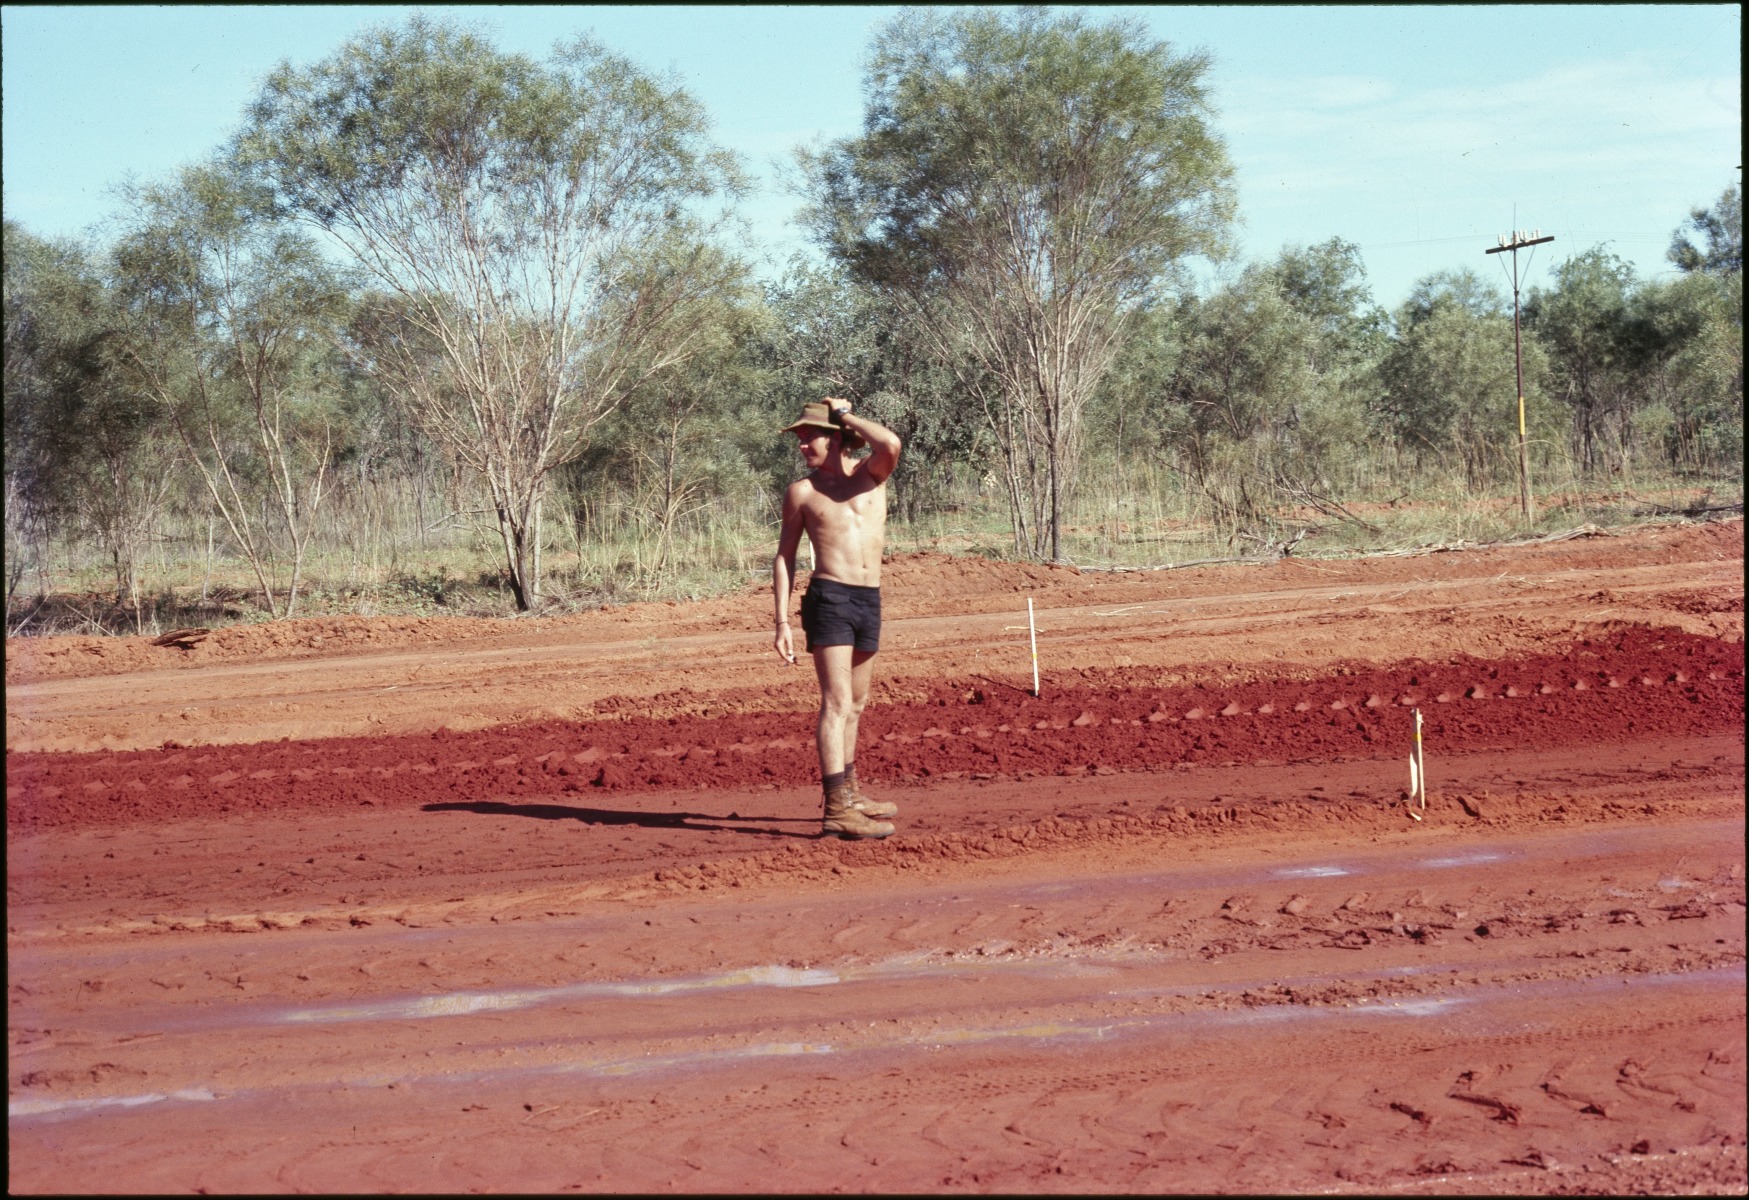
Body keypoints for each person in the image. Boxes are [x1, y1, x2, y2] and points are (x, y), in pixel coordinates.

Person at [772, 398, 903, 839]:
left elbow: (890, 441)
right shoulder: (802, 492)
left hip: (870, 598)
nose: (803, 443)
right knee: (837, 703)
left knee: (858, 705)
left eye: (811, 434)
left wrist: (845, 414)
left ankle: (850, 794)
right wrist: (781, 622)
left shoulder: (872, 475)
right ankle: (836, 810)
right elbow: (784, 556)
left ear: (838, 437)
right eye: (800, 437)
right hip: (830, 598)